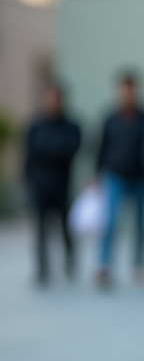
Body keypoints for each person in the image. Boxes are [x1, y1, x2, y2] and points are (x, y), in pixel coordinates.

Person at [94, 71, 144, 289]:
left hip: (140, 177)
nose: (128, 95)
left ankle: (138, 263)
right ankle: (104, 264)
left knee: (140, 223)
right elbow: (101, 148)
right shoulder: (110, 118)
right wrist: (97, 174)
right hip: (115, 176)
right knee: (109, 221)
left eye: (131, 91)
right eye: (124, 91)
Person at [23, 83, 82, 285]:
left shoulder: (71, 125)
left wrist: (48, 149)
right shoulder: (36, 125)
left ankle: (70, 263)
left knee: (66, 226)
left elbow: (69, 150)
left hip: (62, 185)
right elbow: (31, 154)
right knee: (40, 228)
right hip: (40, 185)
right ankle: (42, 267)